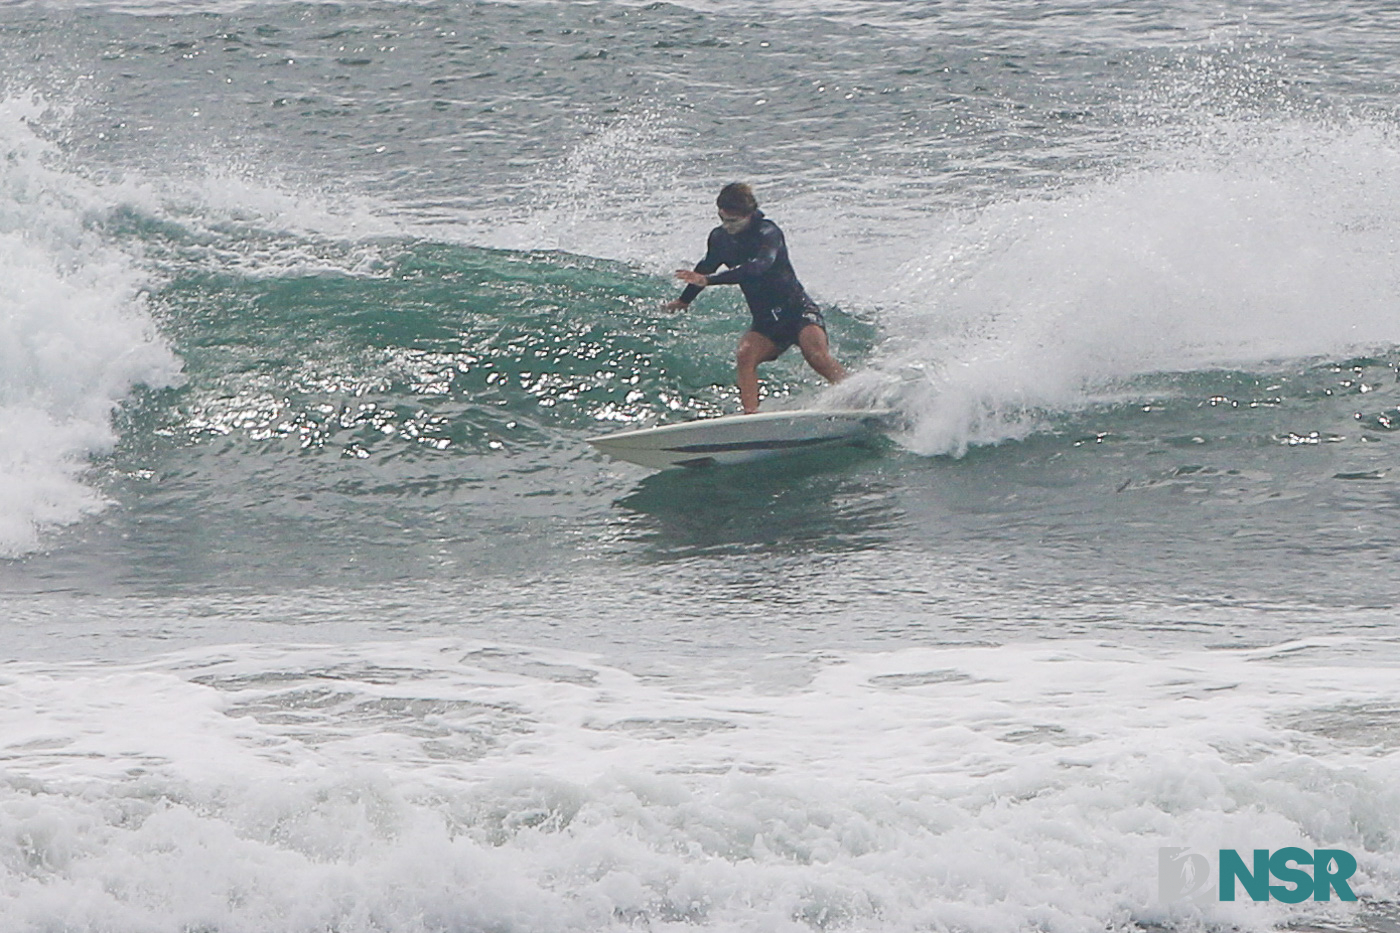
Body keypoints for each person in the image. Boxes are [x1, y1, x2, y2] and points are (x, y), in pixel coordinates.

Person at [665, 183, 846, 414]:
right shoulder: (720, 238)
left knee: (816, 356)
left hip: (798, 311)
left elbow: (759, 267)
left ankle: (857, 395)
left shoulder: (768, 233)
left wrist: (710, 281)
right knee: (745, 355)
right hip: (766, 321)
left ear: (749, 215)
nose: (727, 227)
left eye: (734, 222)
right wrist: (685, 300)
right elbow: (706, 266)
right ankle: (750, 415)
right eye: (723, 219)